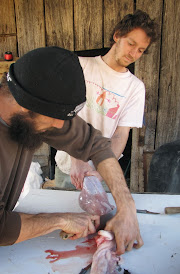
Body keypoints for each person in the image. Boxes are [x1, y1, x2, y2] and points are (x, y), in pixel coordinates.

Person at [0, 46, 143, 254]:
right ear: (24, 105)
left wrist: (127, 206)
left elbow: (96, 145)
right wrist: (60, 220)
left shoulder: (32, 113)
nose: (60, 127)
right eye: (55, 118)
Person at [55, 10, 159, 190]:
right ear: (117, 35)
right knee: (63, 215)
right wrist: (77, 159)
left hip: (101, 170)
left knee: (98, 217)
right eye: (131, 43)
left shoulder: (135, 87)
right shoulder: (80, 66)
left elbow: (121, 133)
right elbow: (62, 113)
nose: (133, 53)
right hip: (68, 166)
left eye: (140, 50)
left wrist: (102, 172)